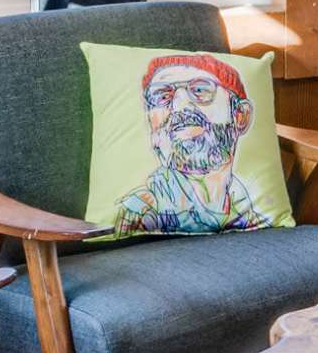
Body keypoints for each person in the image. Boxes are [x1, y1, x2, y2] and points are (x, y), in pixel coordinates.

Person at [111, 52, 273, 231]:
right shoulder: (139, 212)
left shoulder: (251, 213)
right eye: (163, 97)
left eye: (200, 90)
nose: (180, 106)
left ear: (240, 115)